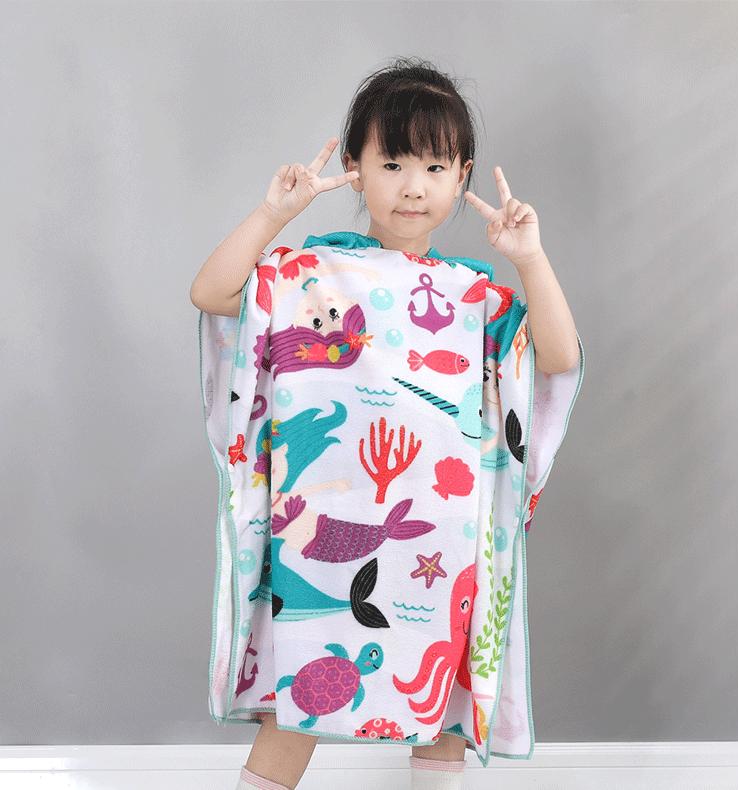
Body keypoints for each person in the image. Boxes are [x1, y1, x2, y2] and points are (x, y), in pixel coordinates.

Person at [191, 57, 583, 790]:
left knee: (442, 710)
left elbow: (556, 357)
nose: (413, 187)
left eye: (435, 168)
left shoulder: (474, 296)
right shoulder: (306, 276)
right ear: (355, 168)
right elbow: (213, 293)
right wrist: (274, 214)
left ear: (462, 177)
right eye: (393, 163)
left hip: (438, 543)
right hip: (318, 540)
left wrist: (530, 260)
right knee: (298, 698)